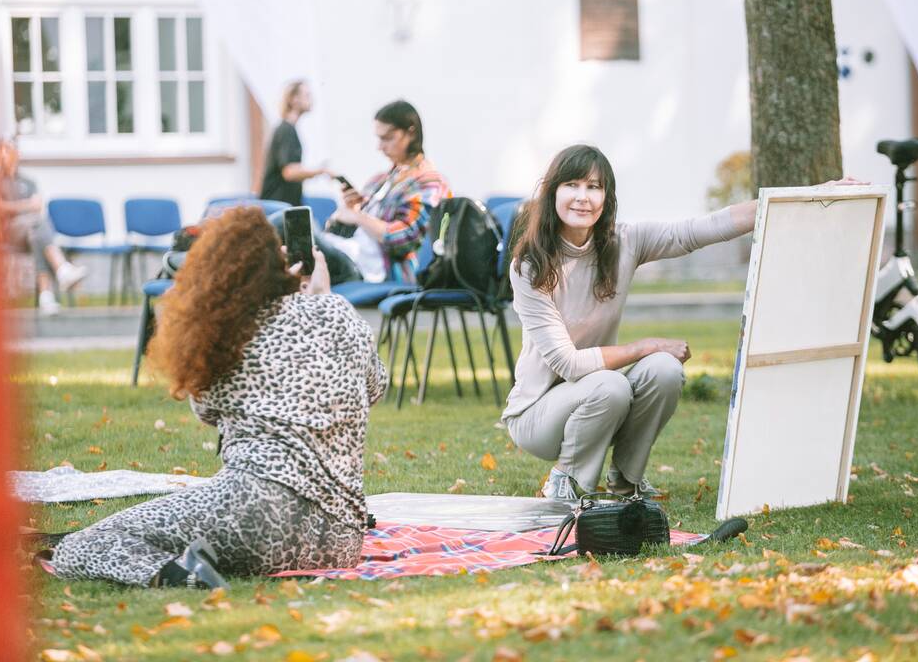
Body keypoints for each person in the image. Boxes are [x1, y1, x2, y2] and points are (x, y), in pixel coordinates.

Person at [44, 207, 387, 587]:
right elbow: (374, 388)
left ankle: (179, 577)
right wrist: (322, 299)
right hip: (339, 539)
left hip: (253, 516)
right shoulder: (339, 313)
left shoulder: (231, 333)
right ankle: (190, 564)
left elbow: (206, 410)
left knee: (79, 546)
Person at [503, 144, 861, 501]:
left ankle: (626, 480)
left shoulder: (623, 242)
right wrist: (645, 346)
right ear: (552, 192)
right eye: (572, 185)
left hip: (598, 395)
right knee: (611, 384)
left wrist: (814, 195)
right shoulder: (530, 266)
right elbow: (568, 363)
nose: (583, 197)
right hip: (537, 414)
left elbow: (701, 228)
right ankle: (566, 481)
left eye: (594, 187)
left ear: (606, 197)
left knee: (664, 370)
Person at [322, 100, 451, 283]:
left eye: (387, 138)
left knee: (292, 236)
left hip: (386, 271)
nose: (380, 146)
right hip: (355, 256)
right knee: (296, 237)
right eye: (378, 138)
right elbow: (348, 230)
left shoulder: (429, 182)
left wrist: (359, 218)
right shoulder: (380, 181)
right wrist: (354, 210)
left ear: (411, 133)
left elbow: (404, 240)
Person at [0, 138, 87, 315]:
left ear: (17, 154)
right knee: (38, 222)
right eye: (2, 151)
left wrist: (18, 207)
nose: (5, 155)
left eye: (9, 150)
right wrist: (26, 205)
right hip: (7, 234)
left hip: (29, 233)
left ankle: (46, 296)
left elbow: (38, 205)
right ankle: (62, 269)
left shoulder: (29, 182)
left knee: (37, 234)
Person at [257, 80, 332, 205]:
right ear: (294, 99)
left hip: (285, 205)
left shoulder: (288, 129)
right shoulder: (286, 130)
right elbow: (289, 172)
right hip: (278, 207)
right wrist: (321, 171)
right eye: (307, 95)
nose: (311, 100)